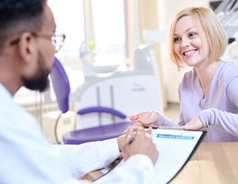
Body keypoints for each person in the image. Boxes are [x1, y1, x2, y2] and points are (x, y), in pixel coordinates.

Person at [0, 0, 158, 183]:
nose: (54, 49)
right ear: (26, 44)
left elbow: (45, 158)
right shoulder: (7, 122)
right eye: (52, 38)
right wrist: (141, 162)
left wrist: (116, 145)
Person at [129, 6, 238, 144]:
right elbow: (187, 131)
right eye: (177, 39)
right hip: (207, 162)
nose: (183, 44)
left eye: (192, 34)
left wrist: (211, 116)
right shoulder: (187, 82)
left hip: (237, 163)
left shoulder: (232, 79)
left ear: (211, 35)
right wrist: (159, 121)